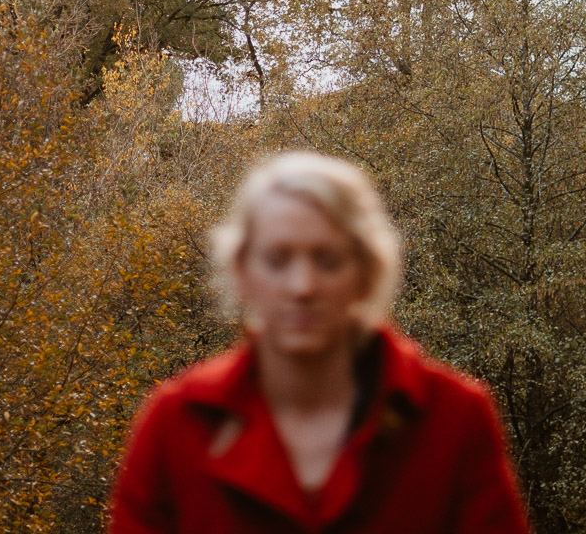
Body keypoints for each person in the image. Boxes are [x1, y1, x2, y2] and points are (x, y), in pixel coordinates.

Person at [107, 151, 530, 534]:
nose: (302, 286)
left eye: (327, 260)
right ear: (242, 273)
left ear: (365, 272)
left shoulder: (453, 419)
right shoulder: (177, 424)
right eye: (277, 260)